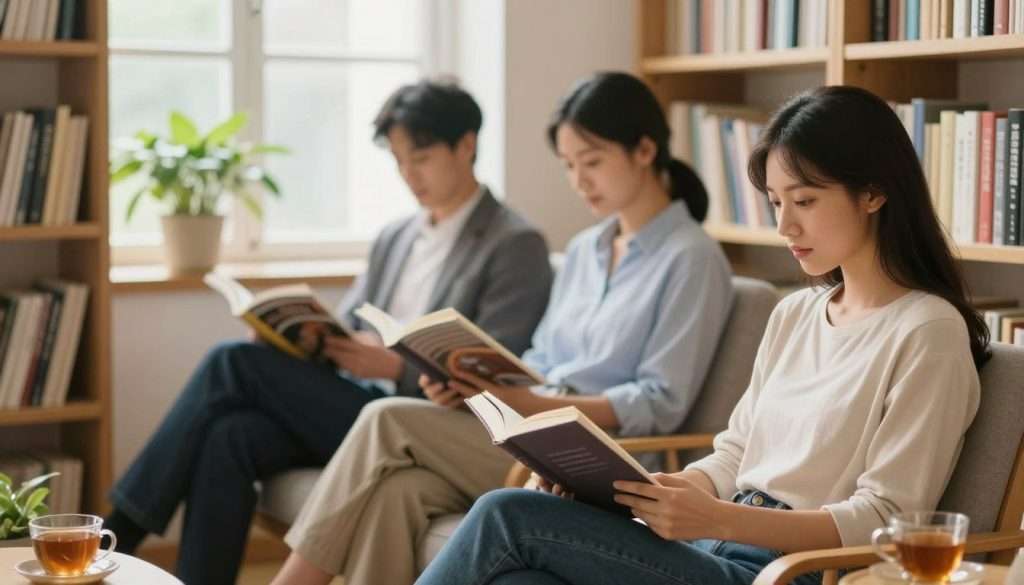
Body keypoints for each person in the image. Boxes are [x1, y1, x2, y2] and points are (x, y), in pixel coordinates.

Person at [414, 84, 991, 585]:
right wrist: (652, 492)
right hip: (713, 547)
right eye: (775, 202)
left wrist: (718, 519)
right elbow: (736, 453)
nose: (785, 226)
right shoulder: (795, 314)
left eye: (806, 201)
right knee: (522, 579)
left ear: (873, 192)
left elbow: (886, 519)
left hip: (789, 571)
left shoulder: (927, 332)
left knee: (505, 515)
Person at [269, 71, 735, 585]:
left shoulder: (692, 258)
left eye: (593, 162)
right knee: (396, 491)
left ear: (645, 150)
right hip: (530, 430)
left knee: (387, 418)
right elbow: (541, 356)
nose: (580, 181)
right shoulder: (585, 249)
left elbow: (658, 404)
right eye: (569, 166)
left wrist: (528, 405)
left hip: (596, 455)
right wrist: (479, 384)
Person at [104, 79, 554, 585]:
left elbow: (494, 369)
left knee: (231, 363)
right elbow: (349, 327)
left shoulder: (515, 243)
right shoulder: (396, 236)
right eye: (400, 161)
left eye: (421, 158)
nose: (409, 175)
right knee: (229, 434)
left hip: (419, 423)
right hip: (353, 403)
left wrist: (396, 367)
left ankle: (114, 536)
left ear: (466, 145)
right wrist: (291, 341)